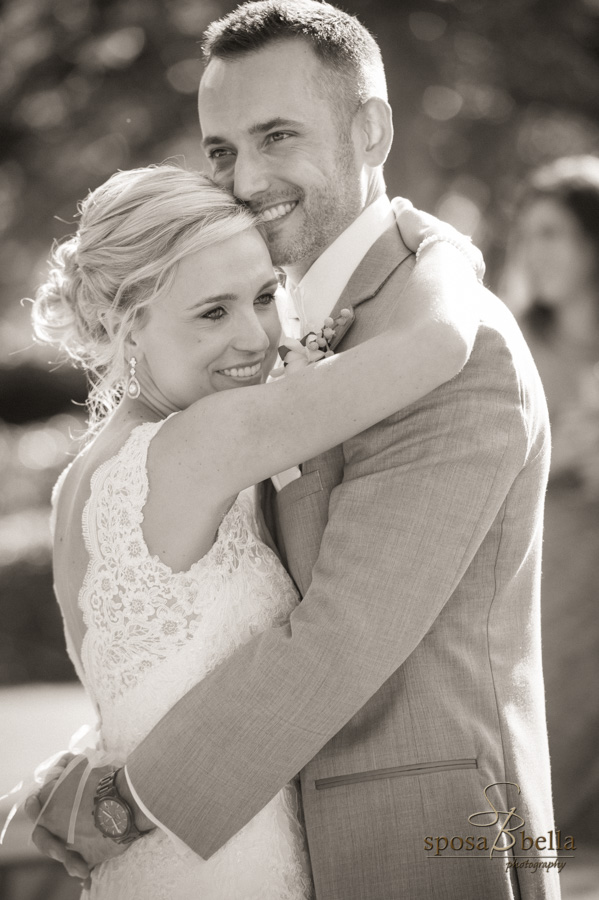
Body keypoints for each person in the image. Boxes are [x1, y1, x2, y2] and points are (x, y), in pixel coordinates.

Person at [29, 3, 558, 899]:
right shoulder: (275, 363)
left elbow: (344, 634)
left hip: (421, 832)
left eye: (277, 135)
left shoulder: (458, 347)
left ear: (372, 128)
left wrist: (122, 795)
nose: (244, 179)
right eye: (223, 150)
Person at [22, 160, 481, 900]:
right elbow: (435, 346)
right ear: (122, 320)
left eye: (266, 295)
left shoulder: (87, 477)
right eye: (212, 312)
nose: (255, 339)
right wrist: (440, 248)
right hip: (228, 865)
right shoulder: (204, 443)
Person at [503, 154, 599, 842]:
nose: (532, 253)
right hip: (553, 579)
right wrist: (561, 452)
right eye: (525, 234)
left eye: (550, 232)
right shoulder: (512, 346)